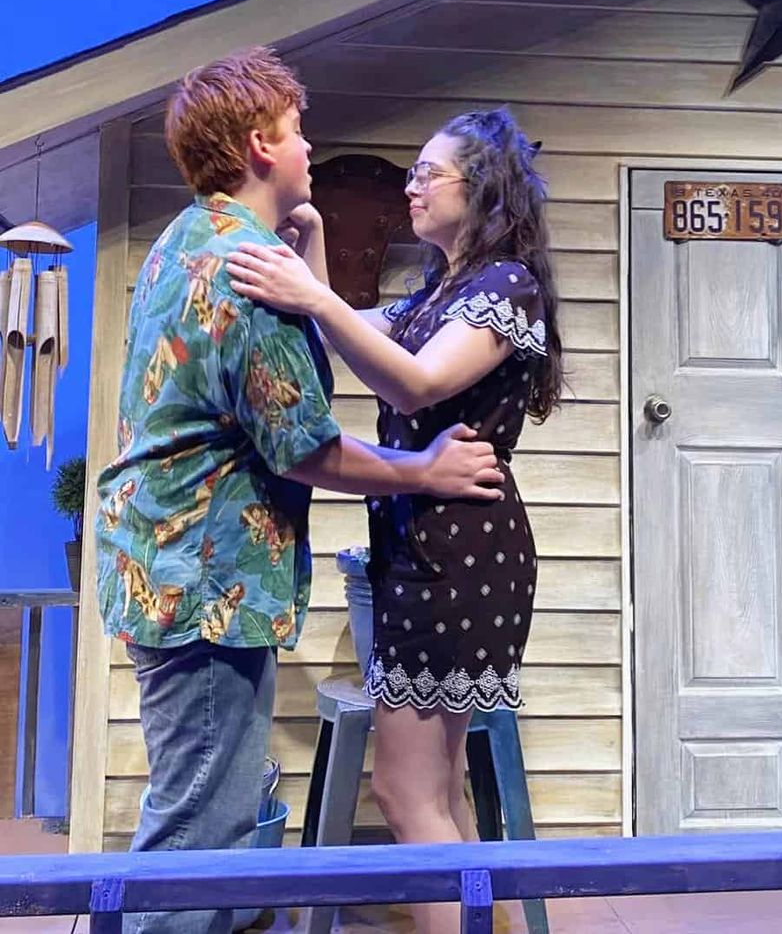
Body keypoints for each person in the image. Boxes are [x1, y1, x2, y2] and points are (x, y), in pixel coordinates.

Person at [94, 49, 503, 934]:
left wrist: (310, 259)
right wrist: (424, 470)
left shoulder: (190, 238)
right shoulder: (246, 274)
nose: (310, 145)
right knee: (200, 833)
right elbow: (305, 448)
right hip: (204, 584)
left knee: (207, 807)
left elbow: (291, 382)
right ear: (259, 145)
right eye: (296, 129)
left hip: (169, 571)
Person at [227, 107, 564, 934]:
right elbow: (349, 331)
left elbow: (415, 381)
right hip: (430, 546)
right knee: (440, 793)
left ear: (480, 188)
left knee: (407, 794)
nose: (411, 186)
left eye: (427, 173)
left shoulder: (506, 285)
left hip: (459, 551)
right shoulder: (442, 290)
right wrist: (311, 250)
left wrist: (313, 290)